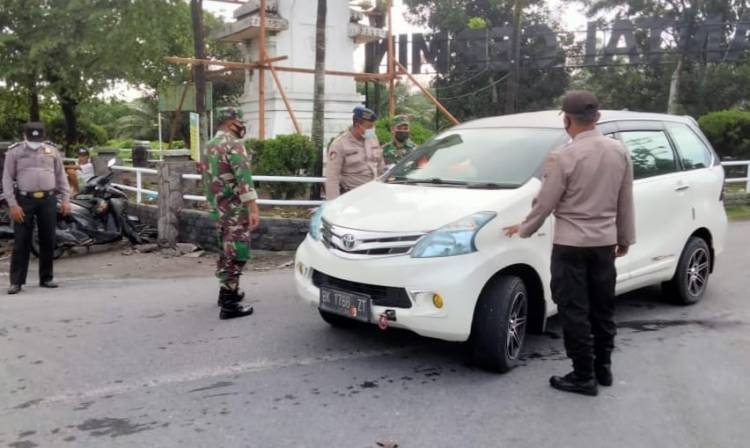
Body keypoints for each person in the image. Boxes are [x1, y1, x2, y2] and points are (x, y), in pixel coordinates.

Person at [503, 91, 635, 397]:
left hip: (571, 246)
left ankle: (582, 376)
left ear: (566, 119)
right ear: (597, 117)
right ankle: (603, 368)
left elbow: (545, 203)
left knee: (574, 311)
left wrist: (524, 229)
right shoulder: (619, 151)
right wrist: (625, 237)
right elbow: (625, 200)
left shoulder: (564, 156)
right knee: (602, 309)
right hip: (604, 244)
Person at [199, 107, 259, 320]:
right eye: (238, 121)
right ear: (230, 123)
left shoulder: (208, 146)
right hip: (234, 209)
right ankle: (229, 304)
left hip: (217, 208)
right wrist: (252, 207)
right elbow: (244, 178)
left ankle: (225, 292)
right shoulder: (234, 144)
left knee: (225, 251)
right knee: (237, 253)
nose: (241, 125)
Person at [2, 122, 71, 294]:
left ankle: (46, 278)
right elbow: (7, 179)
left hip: (48, 199)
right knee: (21, 240)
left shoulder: (51, 150)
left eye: (38, 139)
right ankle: (16, 282)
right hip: (24, 199)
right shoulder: (15, 151)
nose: (35, 143)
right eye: (32, 139)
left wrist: (66, 199)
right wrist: (13, 204)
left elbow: (60, 175)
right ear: (25, 136)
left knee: (48, 238)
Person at [325, 106, 385, 200]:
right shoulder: (340, 144)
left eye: (373, 126)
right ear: (357, 125)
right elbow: (332, 177)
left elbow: (380, 166)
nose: (372, 129)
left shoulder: (373, 138)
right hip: (351, 196)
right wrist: (333, 204)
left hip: (373, 194)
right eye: (369, 127)